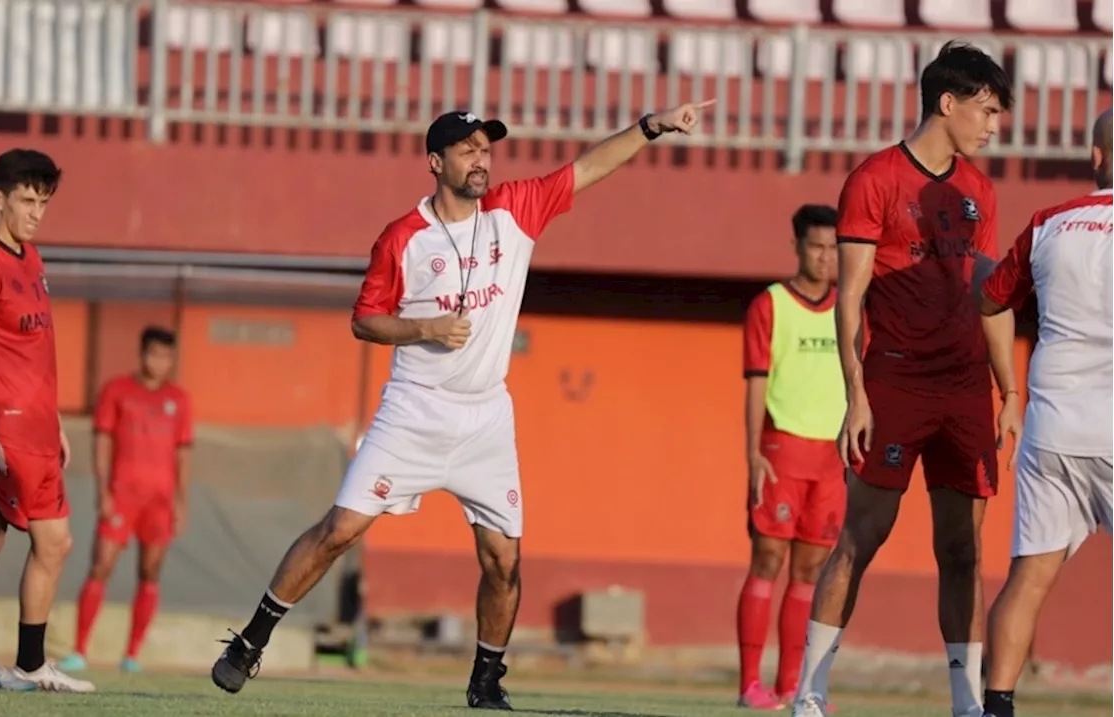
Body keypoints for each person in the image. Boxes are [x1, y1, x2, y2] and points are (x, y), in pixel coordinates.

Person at [208, 101, 715, 709]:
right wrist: (425, 329)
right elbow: (365, 321)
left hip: (486, 417)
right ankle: (250, 641)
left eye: (486, 147)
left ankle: (485, 682)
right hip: (415, 409)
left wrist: (650, 128)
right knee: (339, 530)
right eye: (468, 149)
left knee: (503, 557)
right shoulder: (403, 237)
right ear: (435, 161)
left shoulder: (515, 209)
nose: (482, 159)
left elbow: (587, 168)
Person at [789, 41, 1014, 717]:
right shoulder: (875, 178)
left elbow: (988, 296)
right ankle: (810, 691)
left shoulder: (979, 190)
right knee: (860, 537)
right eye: (988, 109)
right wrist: (854, 393)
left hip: (967, 389)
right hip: (894, 384)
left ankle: (965, 701)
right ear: (948, 104)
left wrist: (1010, 391)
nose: (995, 124)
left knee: (962, 550)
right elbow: (850, 297)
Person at [977, 108, 1114, 717]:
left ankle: (998, 706)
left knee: (1027, 579)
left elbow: (990, 300)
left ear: (1095, 156)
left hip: (1053, 422)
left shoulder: (1049, 223)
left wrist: (1009, 389)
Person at [0, 149, 94, 693]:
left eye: (44, 202)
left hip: (36, 430)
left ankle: (28, 664)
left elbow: (32, 350)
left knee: (45, 542)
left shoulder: (30, 258)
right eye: (27, 201)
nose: (36, 212)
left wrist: (53, 423)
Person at [737, 205, 845, 710]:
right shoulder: (770, 304)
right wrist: (753, 455)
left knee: (810, 572)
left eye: (833, 248)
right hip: (781, 450)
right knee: (768, 560)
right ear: (797, 246)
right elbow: (756, 384)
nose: (825, 258)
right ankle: (749, 686)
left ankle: (794, 687)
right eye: (816, 246)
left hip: (832, 460)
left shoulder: (851, 307)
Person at [59, 326, 194, 674]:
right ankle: (78, 651)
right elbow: (102, 442)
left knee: (150, 572)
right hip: (121, 496)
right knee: (101, 566)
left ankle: (132, 655)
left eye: (166, 356)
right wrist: (103, 491)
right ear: (142, 354)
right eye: (153, 353)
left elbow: (183, 453)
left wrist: (181, 502)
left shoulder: (178, 400)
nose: (159, 362)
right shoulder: (117, 391)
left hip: (160, 502)